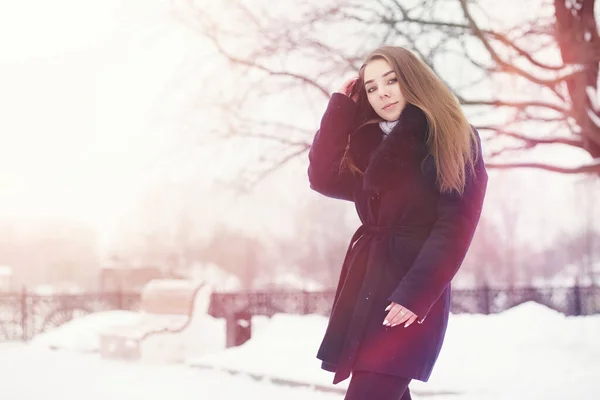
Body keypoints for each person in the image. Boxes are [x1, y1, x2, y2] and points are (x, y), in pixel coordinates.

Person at [307, 46, 488, 400]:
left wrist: (415, 295)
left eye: (392, 80)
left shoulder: (453, 137)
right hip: (367, 286)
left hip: (411, 288)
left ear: (414, 80)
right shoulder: (370, 144)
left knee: (371, 391)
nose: (382, 92)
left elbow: (456, 226)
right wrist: (341, 107)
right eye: (371, 87)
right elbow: (323, 177)